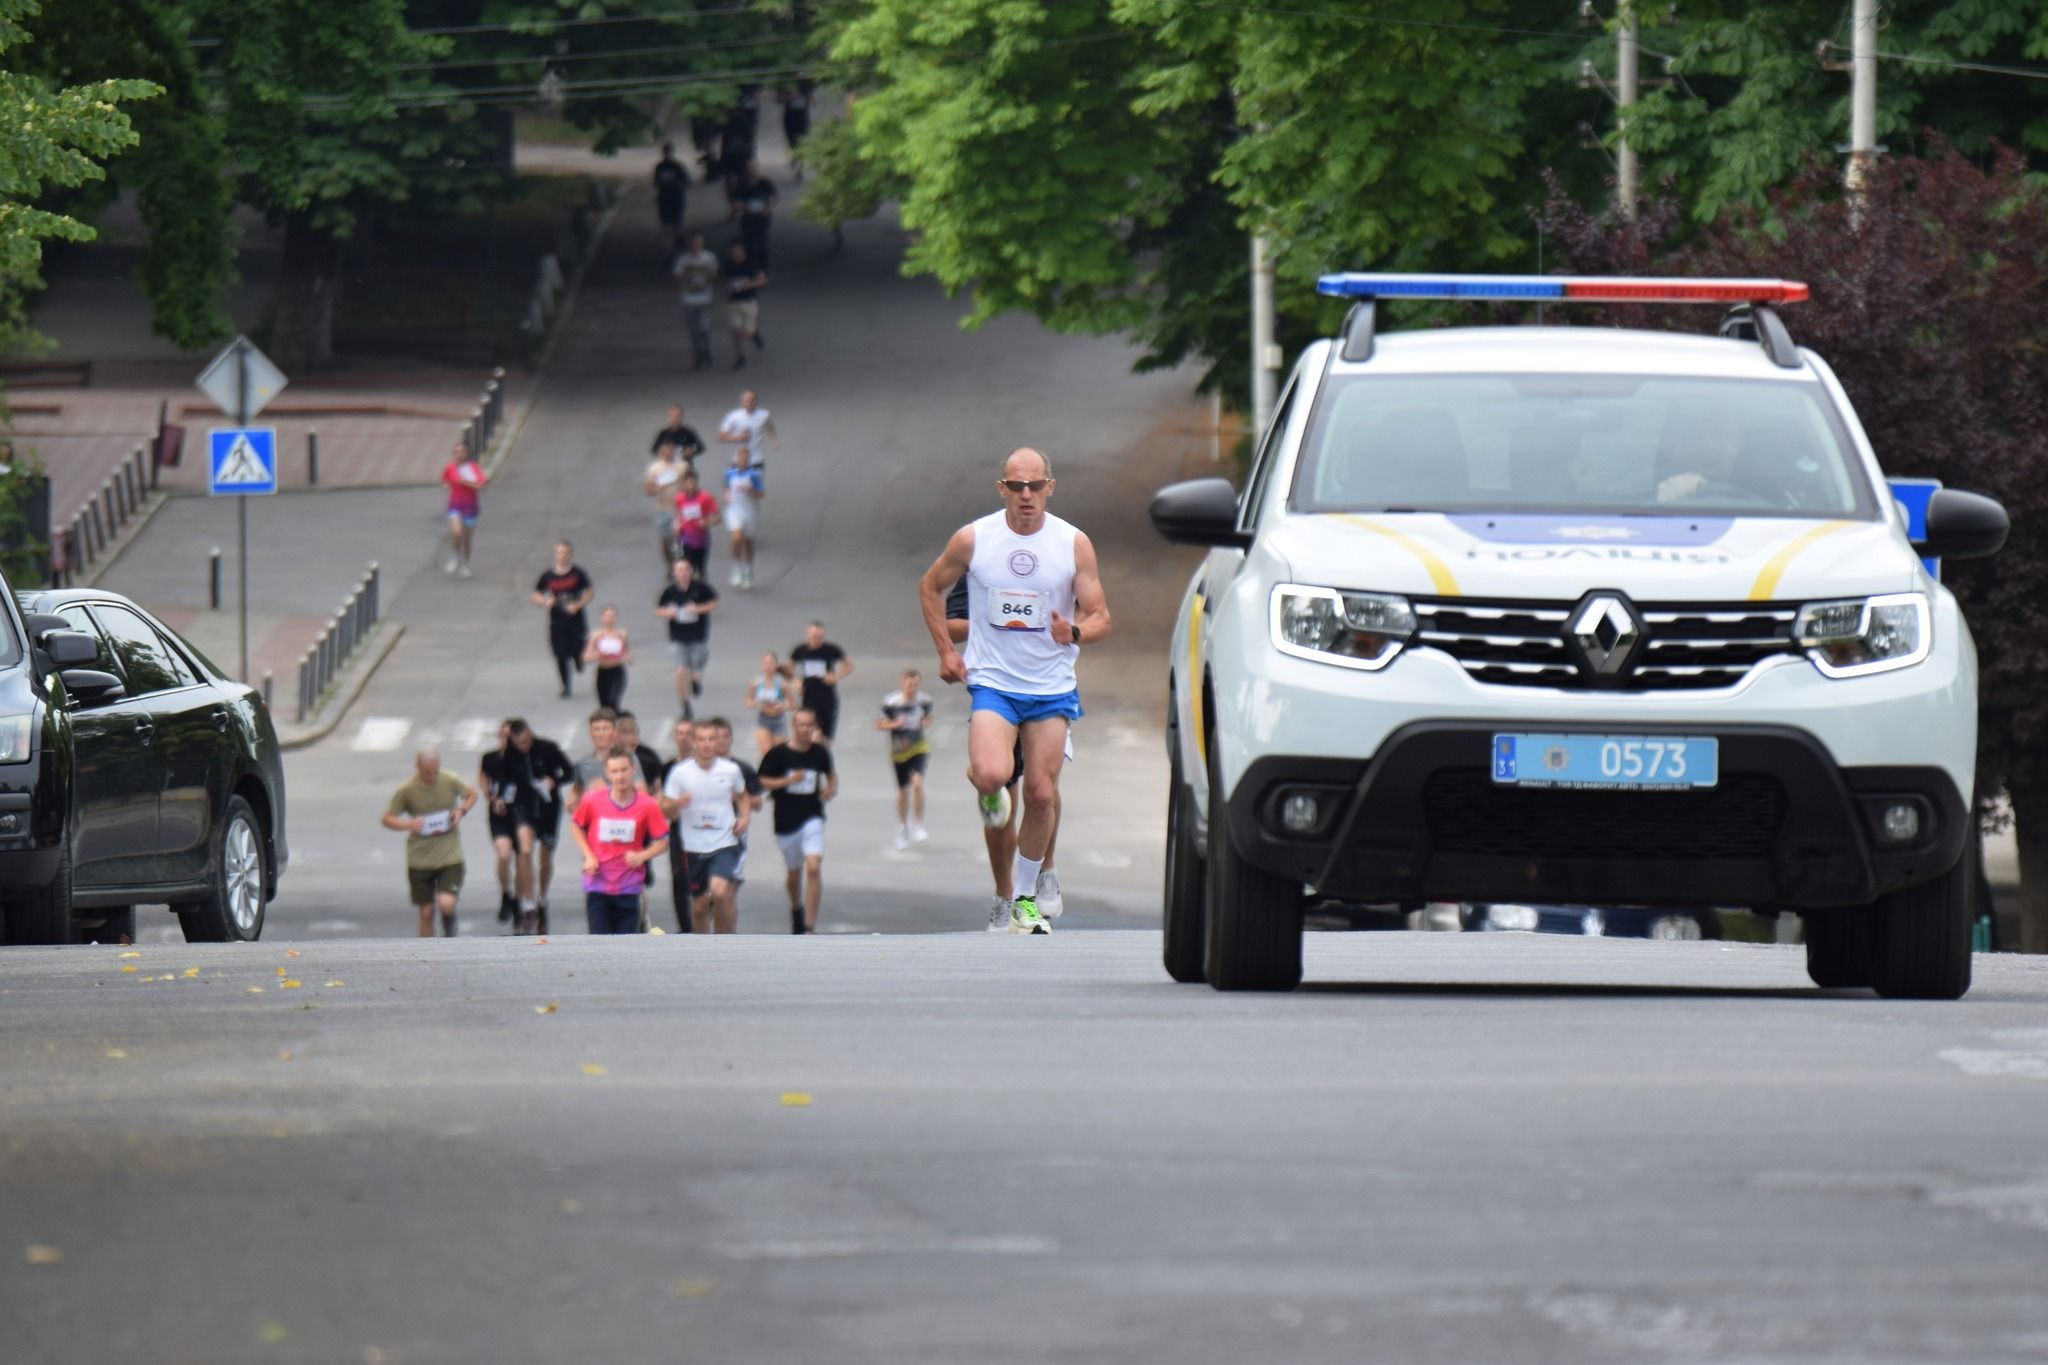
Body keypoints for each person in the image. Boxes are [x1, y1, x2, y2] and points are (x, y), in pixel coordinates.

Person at [918, 448, 1110, 935]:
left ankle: (1024, 899)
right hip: (994, 683)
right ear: (1001, 488)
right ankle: (997, 825)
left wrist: (1077, 632)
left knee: (1042, 795)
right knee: (990, 776)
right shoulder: (974, 538)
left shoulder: (1072, 543)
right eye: (1016, 486)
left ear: (1050, 486)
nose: (1027, 495)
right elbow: (930, 586)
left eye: (1036, 485)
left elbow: (1101, 615)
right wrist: (945, 651)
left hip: (1050, 687)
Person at [947, 574, 1065, 928]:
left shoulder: (1058, 558)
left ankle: (1046, 869)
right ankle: (1003, 894)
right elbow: (952, 627)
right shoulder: (982, 565)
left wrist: (1066, 628)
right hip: (996, 690)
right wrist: (988, 621)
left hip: (1045, 684)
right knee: (998, 787)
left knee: (1043, 785)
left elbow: (1088, 617)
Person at [661, 722, 750, 933]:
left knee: (719, 892)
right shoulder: (680, 773)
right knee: (699, 907)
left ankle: (723, 942)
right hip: (693, 846)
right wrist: (676, 803)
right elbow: (665, 807)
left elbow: (742, 794)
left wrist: (744, 817)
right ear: (693, 742)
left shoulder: (730, 770)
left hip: (725, 841)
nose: (707, 744)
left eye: (711, 739)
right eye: (701, 739)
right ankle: (703, 946)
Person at [569, 751, 670, 935]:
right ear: (607, 773)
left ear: (633, 770)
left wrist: (642, 856)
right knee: (600, 943)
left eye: (624, 770)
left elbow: (662, 841)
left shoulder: (647, 804)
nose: (620, 776)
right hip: (598, 883)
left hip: (629, 886)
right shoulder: (593, 800)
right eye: (614, 771)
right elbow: (576, 825)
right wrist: (589, 856)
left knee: (625, 945)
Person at [381, 745, 477, 938]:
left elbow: (471, 794)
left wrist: (461, 811)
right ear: (417, 767)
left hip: (449, 853)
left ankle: (449, 923)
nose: (430, 779)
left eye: (434, 773)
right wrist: (408, 824)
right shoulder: (406, 790)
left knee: (446, 902)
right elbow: (387, 817)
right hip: (420, 857)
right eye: (426, 774)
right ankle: (427, 950)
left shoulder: (449, 780)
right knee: (426, 911)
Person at [759, 708, 837, 934]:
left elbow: (831, 775)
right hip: (785, 822)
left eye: (808, 725)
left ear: (814, 727)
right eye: (800, 725)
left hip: (812, 817)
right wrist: (788, 780)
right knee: (794, 876)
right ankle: (796, 908)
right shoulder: (778, 754)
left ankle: (809, 926)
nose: (804, 729)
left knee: (813, 866)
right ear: (794, 726)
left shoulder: (820, 753)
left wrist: (829, 789)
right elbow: (763, 781)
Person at [507, 718, 574, 936]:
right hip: (523, 807)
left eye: (526, 741)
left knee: (545, 859)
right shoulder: (509, 754)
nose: (523, 746)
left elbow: (569, 772)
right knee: (525, 851)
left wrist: (554, 781)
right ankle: (528, 903)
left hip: (548, 807)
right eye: (519, 743)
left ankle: (542, 897)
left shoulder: (548, 749)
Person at [706, 717, 765, 909]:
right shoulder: (700, 769)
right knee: (706, 894)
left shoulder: (742, 768)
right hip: (705, 832)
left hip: (734, 833)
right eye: (716, 737)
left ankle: (727, 936)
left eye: (725, 736)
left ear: (731, 739)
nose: (721, 741)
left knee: (727, 889)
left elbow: (757, 802)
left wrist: (739, 797)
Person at [877, 669, 934, 849]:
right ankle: (903, 826)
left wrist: (925, 723)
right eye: (909, 684)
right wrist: (894, 724)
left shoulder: (924, 701)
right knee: (903, 790)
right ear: (903, 683)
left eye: (915, 684)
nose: (912, 688)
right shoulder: (891, 702)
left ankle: (918, 825)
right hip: (899, 750)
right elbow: (879, 724)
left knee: (917, 783)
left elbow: (927, 718)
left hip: (918, 747)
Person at [532, 541, 594, 700]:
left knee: (577, 647)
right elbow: (536, 595)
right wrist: (546, 602)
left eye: (565, 552)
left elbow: (589, 592)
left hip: (576, 619)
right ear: (555, 554)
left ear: (570, 554)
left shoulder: (578, 573)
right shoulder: (548, 575)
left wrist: (578, 604)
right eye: (559, 552)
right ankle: (565, 686)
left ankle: (579, 660)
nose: (562, 556)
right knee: (560, 654)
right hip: (557, 620)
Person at [656, 558, 719, 715]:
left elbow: (714, 603)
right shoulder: (669, 591)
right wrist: (668, 613)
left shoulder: (700, 587)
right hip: (677, 635)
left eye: (685, 570)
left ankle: (696, 681)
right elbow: (658, 610)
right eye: (679, 570)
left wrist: (698, 609)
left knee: (698, 662)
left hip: (698, 633)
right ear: (674, 573)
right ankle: (684, 704)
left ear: (691, 571)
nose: (683, 573)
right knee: (680, 670)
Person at [480, 722, 525, 928]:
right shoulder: (491, 758)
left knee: (522, 859)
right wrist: (490, 797)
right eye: (503, 736)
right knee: (504, 854)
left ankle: (518, 898)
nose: (506, 740)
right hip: (499, 814)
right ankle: (506, 893)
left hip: (521, 815)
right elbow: (483, 778)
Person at [660, 718, 697, 932]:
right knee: (679, 876)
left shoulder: (705, 766)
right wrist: (674, 804)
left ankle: (703, 917)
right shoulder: (668, 768)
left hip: (704, 830)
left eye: (688, 734)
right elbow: (662, 801)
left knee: (705, 878)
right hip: (679, 829)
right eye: (680, 733)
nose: (684, 738)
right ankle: (685, 927)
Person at [789, 621, 853, 742]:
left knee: (826, 740)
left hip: (828, 699)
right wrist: (795, 681)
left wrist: (836, 676)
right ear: (807, 635)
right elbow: (787, 667)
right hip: (809, 698)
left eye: (819, 638)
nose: (816, 640)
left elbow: (849, 665)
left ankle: (821, 758)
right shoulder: (800, 650)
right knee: (812, 736)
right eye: (813, 637)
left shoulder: (831, 650)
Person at [671, 235, 721, 371]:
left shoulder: (709, 257)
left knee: (704, 328)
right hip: (689, 299)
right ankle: (699, 354)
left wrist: (710, 275)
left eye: (699, 243)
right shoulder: (684, 259)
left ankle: (706, 351)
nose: (696, 246)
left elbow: (715, 274)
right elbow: (676, 274)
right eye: (694, 243)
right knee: (694, 330)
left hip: (705, 298)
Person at [723, 445, 766, 590]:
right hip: (734, 511)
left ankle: (747, 571)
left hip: (750, 512)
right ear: (736, 459)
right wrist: (726, 494)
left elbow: (761, 494)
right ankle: (735, 569)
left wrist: (751, 490)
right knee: (736, 538)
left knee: (747, 543)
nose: (743, 460)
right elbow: (726, 487)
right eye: (740, 457)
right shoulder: (729, 473)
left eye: (745, 458)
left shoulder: (753, 475)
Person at [441, 441, 487, 578]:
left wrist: (465, 482)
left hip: (470, 508)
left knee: (467, 539)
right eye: (456, 453)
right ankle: (455, 556)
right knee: (456, 532)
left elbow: (481, 486)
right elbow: (444, 480)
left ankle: (465, 564)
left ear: (466, 454)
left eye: (461, 452)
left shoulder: (473, 468)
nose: (459, 455)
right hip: (455, 506)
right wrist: (447, 486)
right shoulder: (450, 468)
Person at [722, 240, 767, 368]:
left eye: (737, 251)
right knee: (737, 331)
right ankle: (740, 356)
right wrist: (727, 290)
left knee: (748, 330)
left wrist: (748, 285)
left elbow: (763, 280)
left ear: (742, 251)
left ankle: (754, 334)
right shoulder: (728, 264)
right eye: (732, 252)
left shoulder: (751, 263)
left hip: (749, 301)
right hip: (733, 302)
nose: (734, 254)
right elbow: (725, 280)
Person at [730, 158, 778, 270]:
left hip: (762, 219)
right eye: (749, 168)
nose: (752, 170)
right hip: (748, 220)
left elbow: (775, 196)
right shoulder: (741, 186)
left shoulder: (764, 183)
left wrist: (768, 208)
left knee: (762, 245)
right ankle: (752, 268)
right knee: (749, 246)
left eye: (754, 167)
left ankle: (763, 269)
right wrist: (745, 207)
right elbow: (735, 204)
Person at [581, 605, 632, 712]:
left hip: (617, 671)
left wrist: (625, 657)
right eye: (607, 615)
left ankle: (616, 723)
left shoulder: (621, 634)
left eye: (613, 616)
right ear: (602, 617)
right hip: (603, 671)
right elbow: (586, 657)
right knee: (604, 705)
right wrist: (598, 655)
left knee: (613, 701)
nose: (610, 618)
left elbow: (627, 653)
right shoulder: (596, 635)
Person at [645, 442, 688, 565]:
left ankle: (682, 563)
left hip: (679, 509)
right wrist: (655, 490)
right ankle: (670, 565)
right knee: (665, 542)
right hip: (662, 508)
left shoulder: (682, 466)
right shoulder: (654, 468)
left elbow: (689, 483)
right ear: (661, 451)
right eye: (665, 449)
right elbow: (648, 488)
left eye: (670, 449)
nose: (668, 452)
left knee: (680, 537)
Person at [672, 469, 722, 575]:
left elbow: (718, 517)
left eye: (693, 483)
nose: (691, 486)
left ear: (696, 483)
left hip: (701, 539)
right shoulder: (679, 498)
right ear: (684, 484)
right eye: (688, 483)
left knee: (701, 570)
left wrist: (707, 523)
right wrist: (677, 525)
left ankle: (702, 589)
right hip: (685, 539)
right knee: (687, 569)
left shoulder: (706, 497)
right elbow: (678, 514)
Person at [747, 652, 793, 754]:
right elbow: (748, 701)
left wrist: (783, 705)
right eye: (765, 663)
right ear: (762, 666)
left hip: (779, 721)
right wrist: (754, 703)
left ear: (776, 665)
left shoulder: (782, 684)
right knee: (766, 752)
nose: (768, 666)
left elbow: (793, 704)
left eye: (771, 663)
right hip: (763, 719)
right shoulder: (756, 683)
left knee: (779, 752)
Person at [653, 141, 688, 254]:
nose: (667, 154)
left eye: (669, 152)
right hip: (664, 199)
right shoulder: (659, 166)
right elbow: (656, 182)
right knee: (666, 227)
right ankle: (669, 254)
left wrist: (675, 183)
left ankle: (680, 248)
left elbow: (687, 181)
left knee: (678, 226)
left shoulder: (677, 166)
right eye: (666, 152)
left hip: (677, 198)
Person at [781, 82, 812, 174]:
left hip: (801, 117)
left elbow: (812, 100)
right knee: (792, 142)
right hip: (790, 118)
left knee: (802, 141)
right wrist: (790, 96)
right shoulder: (785, 87)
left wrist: (804, 95)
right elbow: (778, 99)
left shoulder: (805, 88)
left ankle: (800, 166)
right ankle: (795, 158)